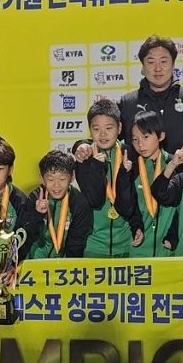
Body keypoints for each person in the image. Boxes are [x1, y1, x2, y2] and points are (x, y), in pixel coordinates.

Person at [118, 34, 183, 173]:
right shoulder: (128, 104)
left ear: (173, 64)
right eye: (151, 62)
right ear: (143, 66)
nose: (157, 68)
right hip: (139, 184)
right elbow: (106, 140)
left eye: (163, 61)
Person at [72, 99, 139, 258]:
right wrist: (96, 165)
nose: (102, 134)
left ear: (119, 128)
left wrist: (137, 226)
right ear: (90, 130)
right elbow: (93, 200)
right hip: (93, 245)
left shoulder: (130, 154)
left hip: (126, 244)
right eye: (96, 129)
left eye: (109, 128)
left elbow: (134, 199)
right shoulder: (84, 158)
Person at [22, 150, 93, 259]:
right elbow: (25, 236)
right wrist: (37, 214)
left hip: (64, 261)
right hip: (35, 259)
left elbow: (76, 242)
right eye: (50, 179)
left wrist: (68, 265)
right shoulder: (35, 197)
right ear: (42, 179)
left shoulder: (79, 202)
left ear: (72, 177)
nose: (56, 185)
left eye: (62, 179)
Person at [128, 111, 177, 258]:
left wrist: (173, 236)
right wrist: (136, 228)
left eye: (145, 137)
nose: (140, 144)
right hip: (138, 250)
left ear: (161, 136)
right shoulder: (131, 168)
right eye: (135, 139)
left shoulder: (176, 165)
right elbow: (129, 206)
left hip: (168, 251)